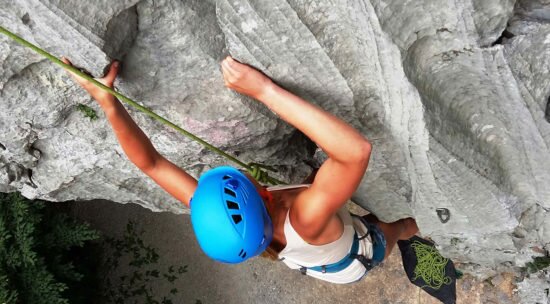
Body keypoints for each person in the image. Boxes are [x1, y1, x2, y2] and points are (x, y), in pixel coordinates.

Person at [61, 56, 419, 284]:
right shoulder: (306, 217)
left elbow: (150, 163)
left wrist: (107, 101)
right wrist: (264, 90)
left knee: (326, 184)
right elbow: (356, 152)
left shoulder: (228, 214)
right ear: (259, 193)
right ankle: (424, 233)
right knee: (395, 227)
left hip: (318, 241)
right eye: (240, 178)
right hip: (354, 258)